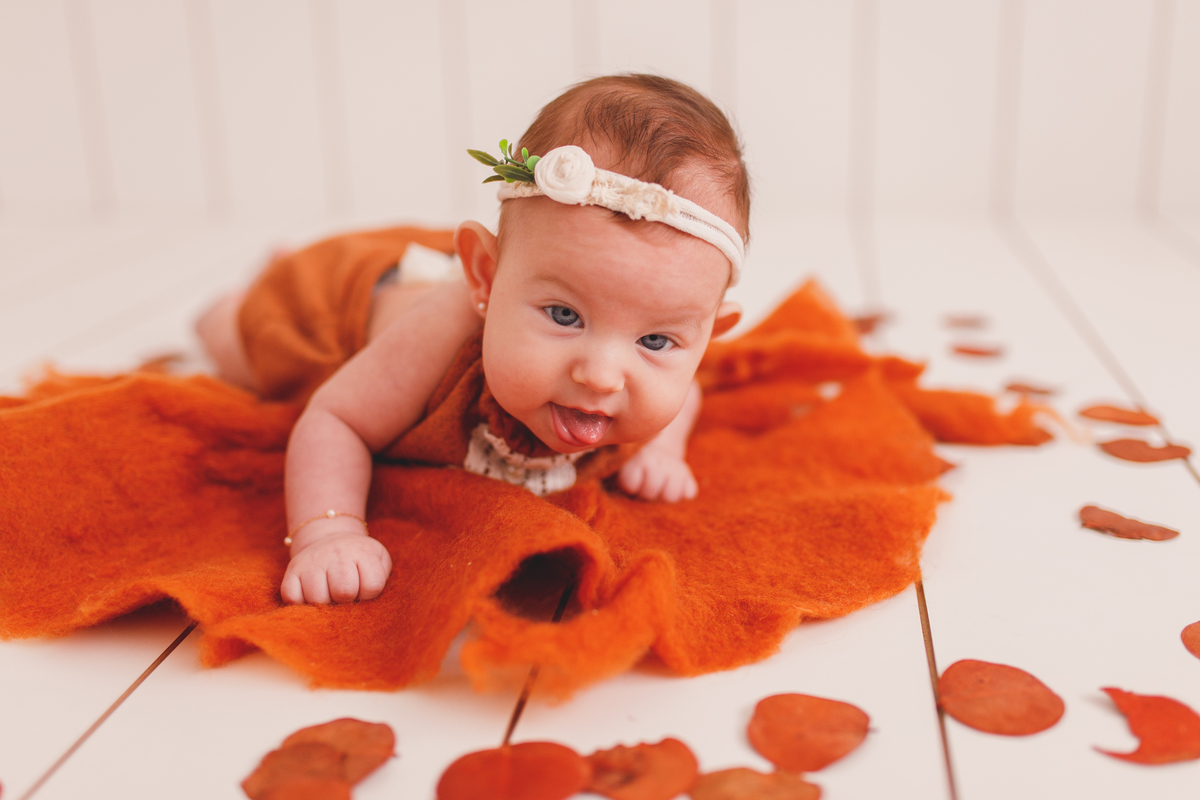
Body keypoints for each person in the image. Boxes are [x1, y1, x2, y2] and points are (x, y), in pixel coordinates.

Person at [196, 74, 751, 606]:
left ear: (705, 339)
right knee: (246, 352)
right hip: (338, 306)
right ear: (485, 277)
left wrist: (663, 448)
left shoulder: (629, 341)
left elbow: (689, 393)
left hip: (485, 269)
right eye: (563, 314)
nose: (601, 375)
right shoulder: (442, 334)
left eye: (655, 343)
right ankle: (232, 305)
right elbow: (336, 421)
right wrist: (328, 535)